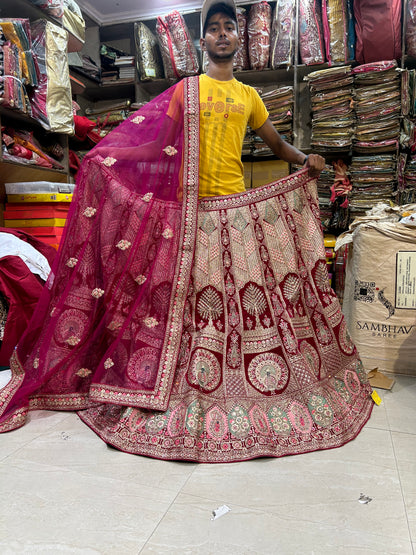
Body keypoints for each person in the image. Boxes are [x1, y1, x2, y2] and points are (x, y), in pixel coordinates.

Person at [0, 0, 373, 462]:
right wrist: (107, 158)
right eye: (212, 28)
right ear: (203, 40)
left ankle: (237, 379)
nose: (220, 35)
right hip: (188, 215)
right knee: (190, 299)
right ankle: (189, 374)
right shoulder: (185, 91)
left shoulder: (249, 97)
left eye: (228, 28)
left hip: (233, 213)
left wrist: (306, 160)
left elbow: (276, 144)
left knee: (236, 299)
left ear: (238, 39)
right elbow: (159, 146)